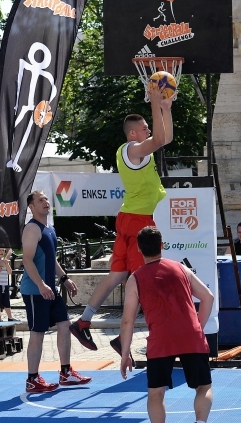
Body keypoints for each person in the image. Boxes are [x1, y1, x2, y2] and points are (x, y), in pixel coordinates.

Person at [70, 88, 173, 355]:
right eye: (145, 127)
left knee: (116, 275)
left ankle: (83, 321)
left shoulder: (133, 151)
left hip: (129, 217)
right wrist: (155, 103)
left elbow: (166, 137)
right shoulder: (134, 151)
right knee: (144, 278)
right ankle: (132, 337)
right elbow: (161, 138)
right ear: (132, 134)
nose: (149, 129)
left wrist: (167, 108)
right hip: (140, 221)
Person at [119, 226, 214, 423]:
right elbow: (208, 297)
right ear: (162, 246)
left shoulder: (135, 279)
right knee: (203, 386)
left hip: (161, 339)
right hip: (190, 334)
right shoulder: (181, 268)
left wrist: (125, 354)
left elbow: (128, 320)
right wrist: (198, 327)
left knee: (155, 393)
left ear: (138, 248)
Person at [21, 190, 91, 393]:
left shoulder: (49, 228)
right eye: (40, 200)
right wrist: (41, 285)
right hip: (35, 291)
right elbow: (26, 260)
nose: (45, 202)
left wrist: (64, 277)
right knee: (37, 333)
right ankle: (32, 379)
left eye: (46, 199)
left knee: (64, 325)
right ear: (31, 207)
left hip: (50, 289)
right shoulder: (32, 229)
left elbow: (52, 258)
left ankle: (66, 372)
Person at [0, 247, 14, 322]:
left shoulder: (4, 261)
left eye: (3, 250)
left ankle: (10, 317)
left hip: (5, 284)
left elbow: (10, 272)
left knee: (6, 301)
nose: (2, 252)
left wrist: (7, 264)